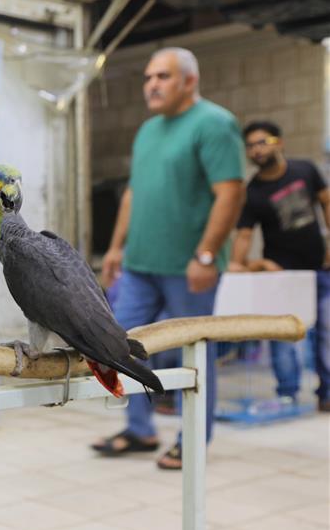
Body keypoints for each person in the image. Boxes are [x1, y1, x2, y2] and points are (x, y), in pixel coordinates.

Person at [92, 47, 245, 470]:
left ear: (189, 81)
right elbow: (134, 194)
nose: (152, 85)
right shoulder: (147, 131)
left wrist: (207, 254)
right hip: (141, 264)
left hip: (189, 266)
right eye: (148, 77)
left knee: (194, 354)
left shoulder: (214, 124)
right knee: (121, 344)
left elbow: (230, 192)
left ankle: (193, 439)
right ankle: (139, 428)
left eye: (163, 76)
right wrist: (117, 247)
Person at [229, 120, 330, 412]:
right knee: (282, 339)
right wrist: (246, 264)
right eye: (250, 145)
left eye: (263, 142)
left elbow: (326, 201)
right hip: (281, 277)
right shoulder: (253, 193)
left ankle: (327, 394)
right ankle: (288, 394)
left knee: (326, 333)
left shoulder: (305, 170)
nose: (256, 149)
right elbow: (244, 236)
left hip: (319, 270)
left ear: (279, 143)